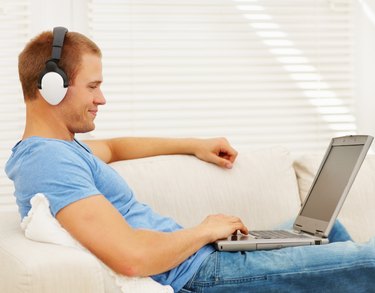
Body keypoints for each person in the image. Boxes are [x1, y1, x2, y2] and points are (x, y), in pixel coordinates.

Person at [5, 28, 375, 293]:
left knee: (329, 233)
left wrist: (193, 145)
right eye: (93, 86)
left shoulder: (61, 147)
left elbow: (116, 148)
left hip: (204, 258)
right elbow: (131, 258)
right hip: (204, 272)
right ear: (51, 87)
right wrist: (204, 229)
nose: (101, 99)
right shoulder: (49, 161)